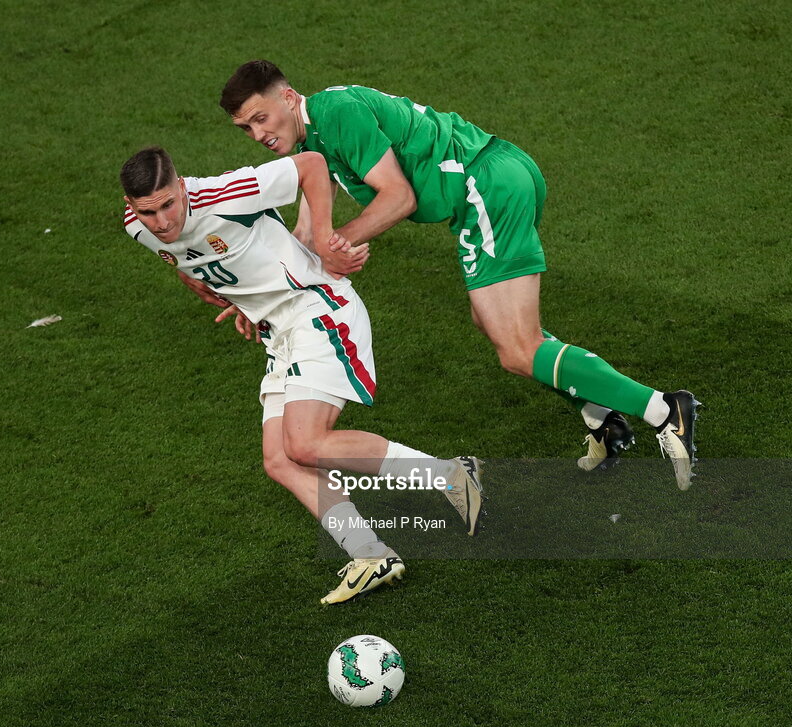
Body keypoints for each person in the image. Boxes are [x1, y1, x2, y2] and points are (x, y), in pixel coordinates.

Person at [210, 61, 700, 490]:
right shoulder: (313, 139)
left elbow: (397, 197)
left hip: (484, 187)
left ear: (289, 98)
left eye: (261, 118)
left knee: (517, 348)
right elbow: (303, 233)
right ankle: (602, 418)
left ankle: (664, 410)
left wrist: (340, 244)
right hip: (485, 188)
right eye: (245, 128)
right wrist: (260, 297)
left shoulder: (337, 114)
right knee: (492, 324)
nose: (258, 134)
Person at [119, 146, 483, 605]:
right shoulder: (141, 227)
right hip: (280, 333)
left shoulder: (223, 194)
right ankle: (370, 553)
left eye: (168, 204)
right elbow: (183, 260)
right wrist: (233, 294)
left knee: (305, 443)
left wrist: (326, 242)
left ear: (180, 185)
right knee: (280, 460)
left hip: (318, 309)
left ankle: (452, 476)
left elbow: (312, 164)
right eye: (147, 211)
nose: (162, 222)